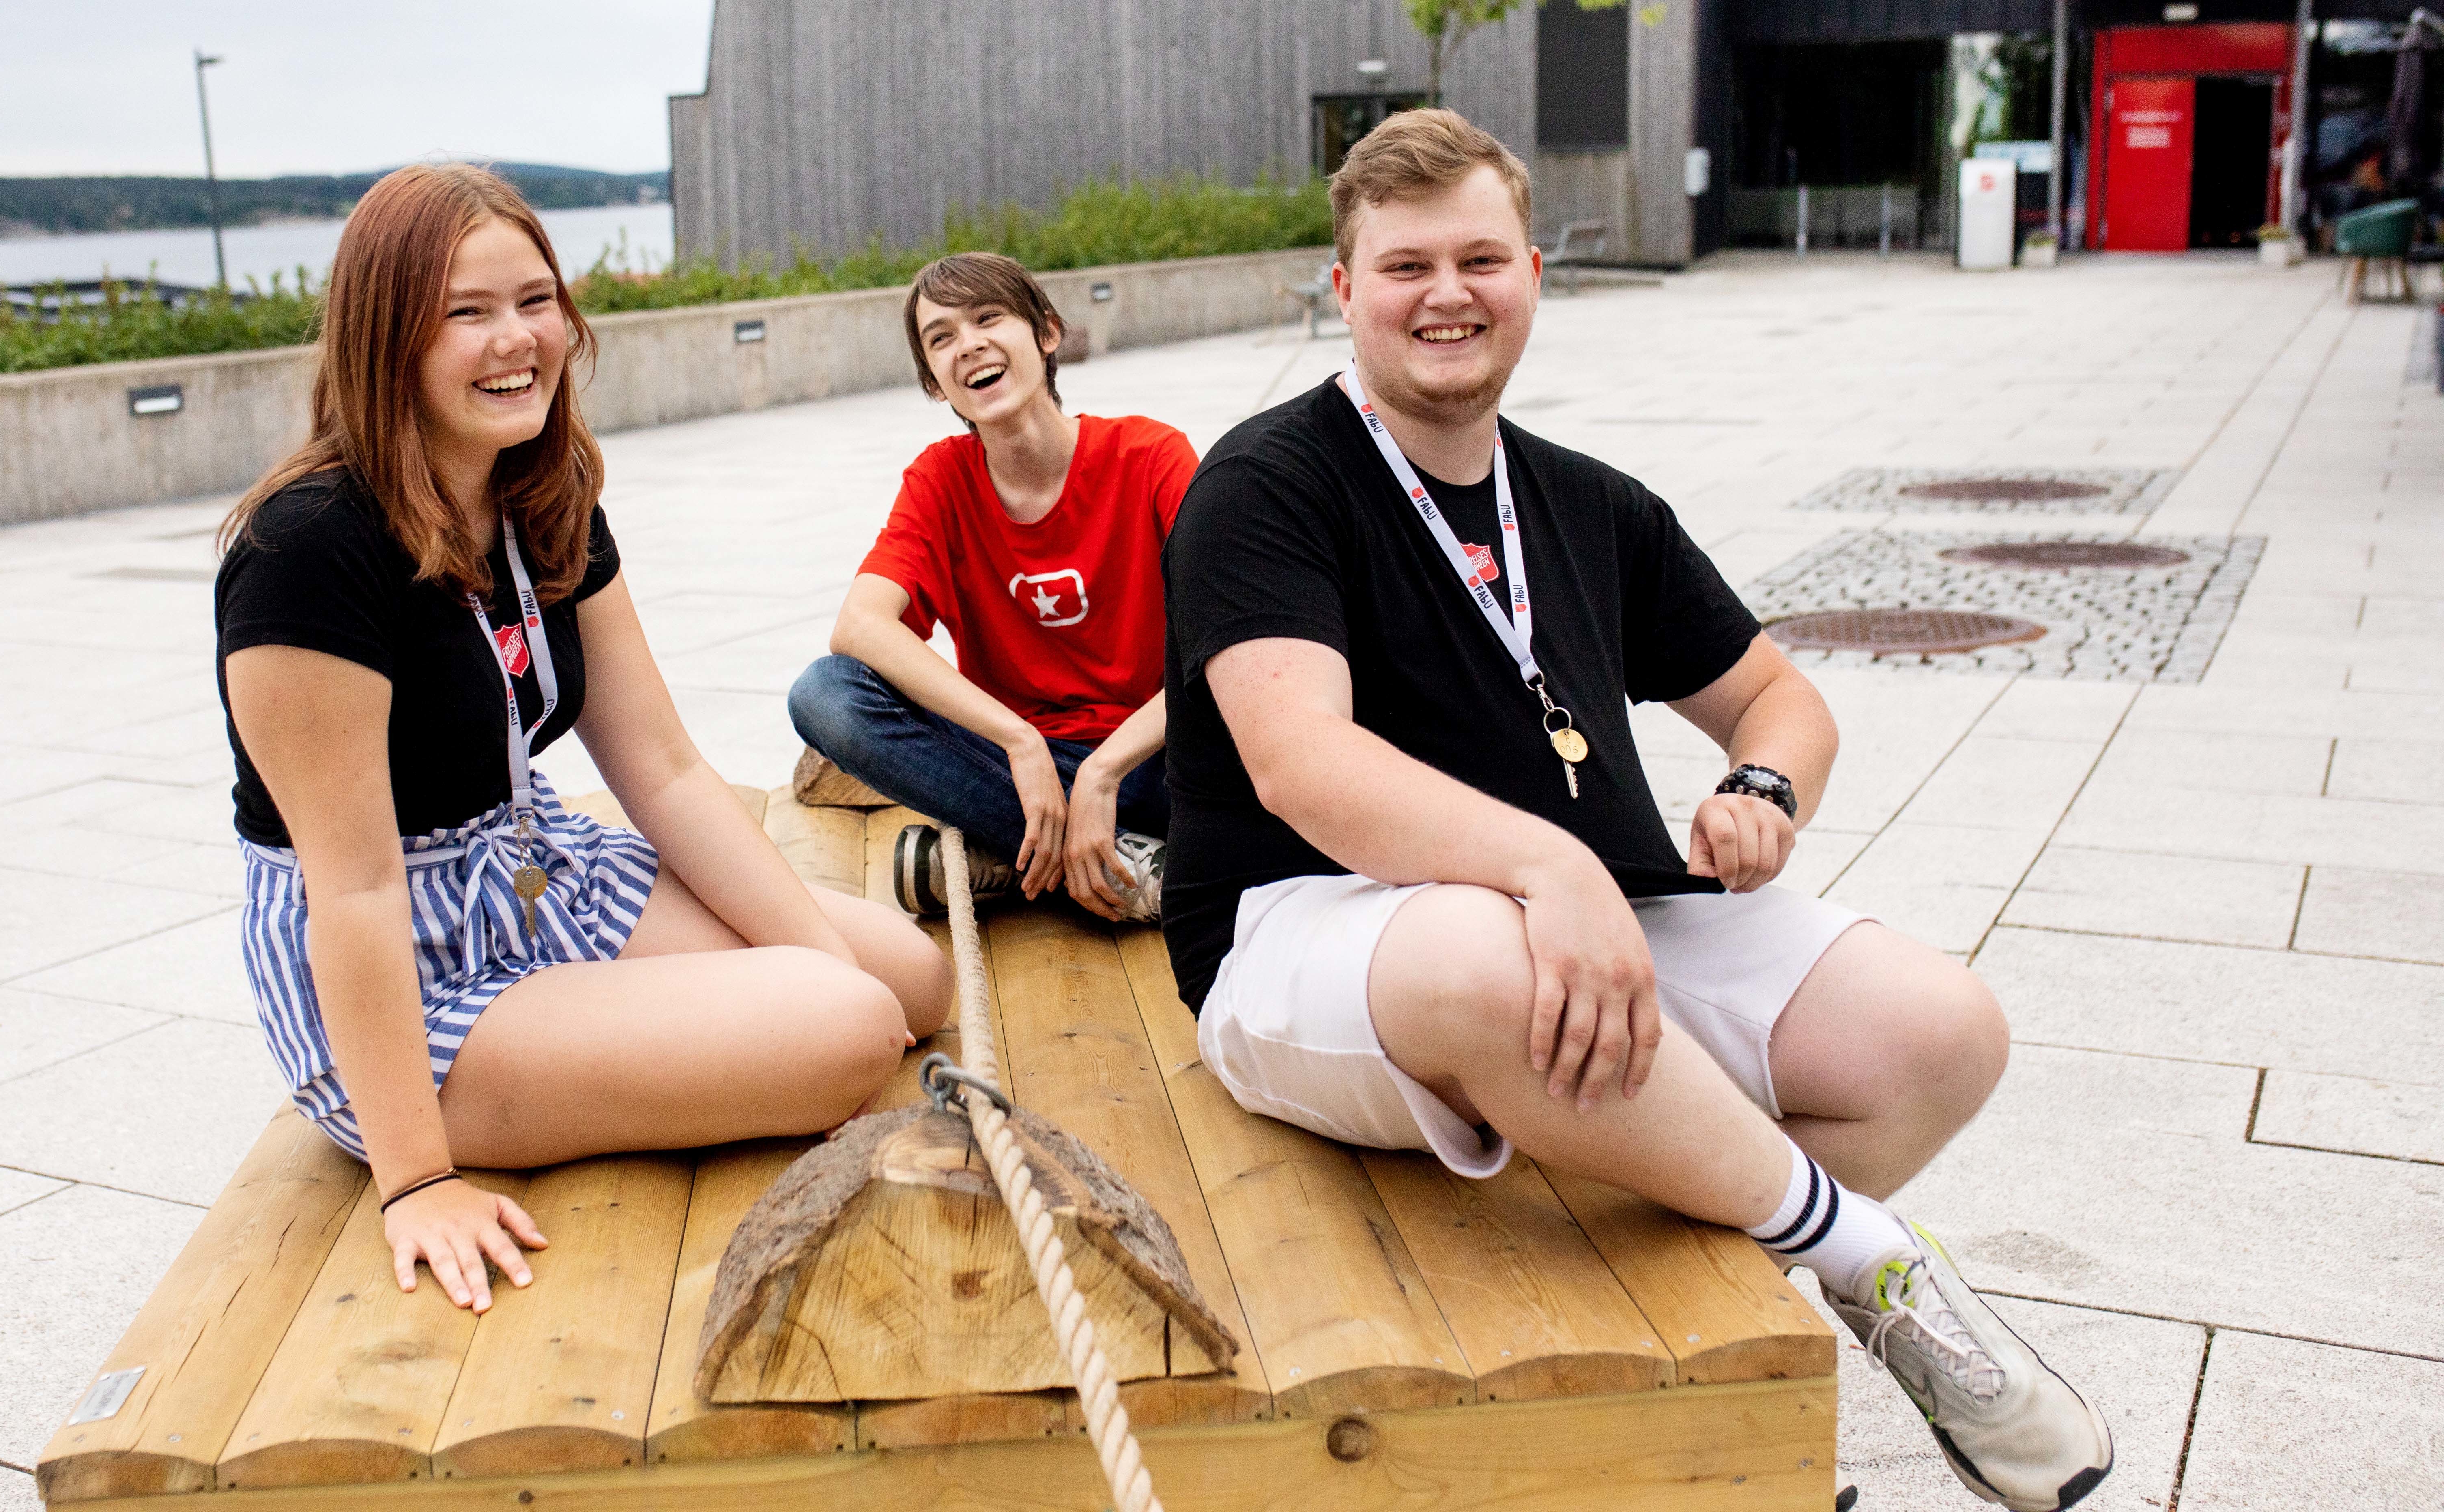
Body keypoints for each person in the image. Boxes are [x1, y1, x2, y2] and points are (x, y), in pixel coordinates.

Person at [1159, 110, 2113, 1512]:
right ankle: (1864, 1262)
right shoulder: (1267, 482)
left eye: (1480, 257)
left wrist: (1763, 790)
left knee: (1938, 1035)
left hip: (1596, 904)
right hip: (1308, 929)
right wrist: (1547, 870)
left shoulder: (1594, 504)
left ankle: (1692, 1394)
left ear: (1535, 274)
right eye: (1405, 264)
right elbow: (1306, 767)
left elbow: (1783, 700)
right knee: (1498, 957)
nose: (1447, 294)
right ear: (1344, 286)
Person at [217, 164, 950, 1315]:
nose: (518, 340)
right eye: (467, 312)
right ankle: (455, 1113)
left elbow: (659, 768)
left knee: (908, 976)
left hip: (533, 869)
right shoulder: (307, 549)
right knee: (854, 1027)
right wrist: (416, 1183)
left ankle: (748, 1022)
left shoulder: (539, 492)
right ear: (383, 335)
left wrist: (818, 958)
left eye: (536, 299)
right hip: (406, 963)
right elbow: (350, 891)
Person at [789, 251, 1196, 921]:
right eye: (941, 338)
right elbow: (859, 627)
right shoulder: (942, 480)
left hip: (1157, 760)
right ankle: (1122, 865)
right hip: (1015, 772)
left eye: (988, 318)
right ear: (934, 384)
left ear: (1047, 332)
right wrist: (1019, 741)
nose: (967, 344)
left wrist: (1103, 772)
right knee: (825, 694)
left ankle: (1010, 860)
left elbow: (1232, 643)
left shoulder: (1150, 456)